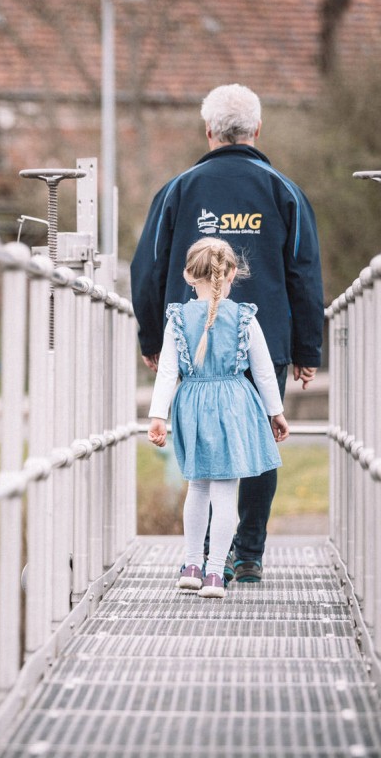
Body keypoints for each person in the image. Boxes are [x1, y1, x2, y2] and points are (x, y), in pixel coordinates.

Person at [131, 83, 324, 583]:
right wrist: (307, 347)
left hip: (190, 345)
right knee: (258, 442)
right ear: (257, 130)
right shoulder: (285, 191)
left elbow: (148, 269)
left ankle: (202, 557)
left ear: (209, 131)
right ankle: (247, 553)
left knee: (204, 456)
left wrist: (153, 339)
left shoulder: (178, 190)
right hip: (266, 339)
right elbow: (303, 272)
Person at [147, 238, 289, 597]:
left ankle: (192, 564)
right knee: (226, 491)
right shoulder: (244, 317)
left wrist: (157, 416)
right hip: (233, 406)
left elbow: (166, 372)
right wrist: (276, 412)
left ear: (187, 275)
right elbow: (264, 372)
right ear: (232, 274)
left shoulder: (177, 318)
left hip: (192, 405)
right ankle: (214, 574)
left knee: (197, 487)